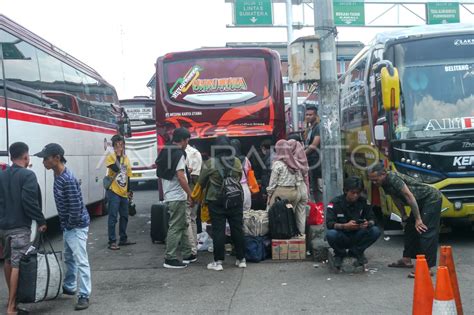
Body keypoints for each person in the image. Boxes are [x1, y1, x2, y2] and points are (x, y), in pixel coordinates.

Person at [35, 143, 92, 310]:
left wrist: (69, 225)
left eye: (45, 158)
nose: (43, 161)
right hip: (69, 227)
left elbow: (75, 208)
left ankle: (84, 295)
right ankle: (70, 286)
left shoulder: (67, 179)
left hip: (76, 226)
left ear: (57, 158)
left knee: (81, 260)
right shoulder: (58, 175)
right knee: (69, 257)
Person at [368, 163, 442, 277]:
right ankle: (406, 259)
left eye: (375, 179)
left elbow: (409, 196)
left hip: (430, 199)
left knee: (424, 230)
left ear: (383, 174)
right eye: (372, 180)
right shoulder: (383, 183)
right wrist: (403, 214)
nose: (374, 182)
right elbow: (395, 197)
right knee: (409, 227)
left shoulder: (393, 178)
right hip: (419, 202)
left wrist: (418, 219)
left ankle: (427, 267)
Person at [0, 142, 47, 315]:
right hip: (19, 227)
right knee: (18, 263)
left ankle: (12, 300)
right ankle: (12, 307)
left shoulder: (2, 175)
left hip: (3, 227)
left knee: (7, 261)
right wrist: (41, 220)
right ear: (26, 157)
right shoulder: (28, 175)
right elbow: (29, 202)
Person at [196, 136, 246, 271]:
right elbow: (239, 177)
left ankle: (218, 262)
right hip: (235, 199)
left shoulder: (210, 163)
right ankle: (241, 259)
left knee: (219, 230)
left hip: (216, 200)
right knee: (237, 228)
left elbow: (201, 181)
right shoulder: (236, 161)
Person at [325, 176, 381, 269]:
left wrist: (368, 223)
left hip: (358, 235)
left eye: (358, 193)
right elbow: (330, 224)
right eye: (353, 193)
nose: (355, 195)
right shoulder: (335, 203)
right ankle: (340, 254)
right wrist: (345, 226)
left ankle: (356, 251)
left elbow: (373, 219)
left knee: (375, 231)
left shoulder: (363, 202)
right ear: (346, 191)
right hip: (342, 235)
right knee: (331, 234)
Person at [158, 127, 195, 269]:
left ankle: (188, 254)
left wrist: (185, 171)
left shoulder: (166, 149)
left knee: (183, 224)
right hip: (177, 195)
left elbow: (168, 171)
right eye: (187, 141)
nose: (187, 144)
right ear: (184, 140)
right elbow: (180, 176)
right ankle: (170, 258)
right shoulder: (179, 153)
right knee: (175, 226)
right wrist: (191, 194)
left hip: (169, 192)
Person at [266, 139, 307, 235]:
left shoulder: (278, 164)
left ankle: (277, 236)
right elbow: (298, 179)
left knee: (271, 213)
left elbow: (272, 184)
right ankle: (295, 236)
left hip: (281, 194)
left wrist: (269, 196)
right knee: (290, 216)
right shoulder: (294, 163)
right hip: (294, 193)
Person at [105, 134, 135, 250]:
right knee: (113, 216)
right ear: (113, 147)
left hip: (123, 192)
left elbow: (128, 176)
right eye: (117, 145)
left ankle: (123, 238)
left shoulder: (126, 158)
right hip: (113, 191)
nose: (119, 147)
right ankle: (112, 241)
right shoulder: (111, 157)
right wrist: (117, 156)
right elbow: (116, 168)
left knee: (124, 216)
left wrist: (129, 191)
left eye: (121, 145)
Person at [185, 143, 202, 259]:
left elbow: (191, 177)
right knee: (193, 218)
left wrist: (189, 194)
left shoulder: (186, 154)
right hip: (196, 188)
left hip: (188, 188)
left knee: (187, 219)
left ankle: (192, 250)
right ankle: (194, 246)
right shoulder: (196, 153)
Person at [304, 105, 322, 201]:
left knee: (318, 188)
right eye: (306, 115)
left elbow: (314, 145)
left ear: (316, 115)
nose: (308, 117)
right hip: (312, 162)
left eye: (310, 115)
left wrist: (302, 154)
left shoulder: (318, 127)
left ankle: (322, 209)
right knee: (314, 188)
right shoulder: (310, 128)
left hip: (318, 162)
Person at [230, 139, 252, 211]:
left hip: (232, 188)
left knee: (234, 212)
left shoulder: (228, 160)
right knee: (246, 212)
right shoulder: (246, 159)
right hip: (245, 188)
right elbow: (249, 172)